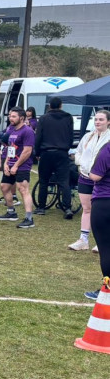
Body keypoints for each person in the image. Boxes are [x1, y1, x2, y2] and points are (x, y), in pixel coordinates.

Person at [71, 110, 110, 252]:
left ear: (108, 121)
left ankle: (103, 241)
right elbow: (79, 151)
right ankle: (83, 239)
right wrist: (81, 163)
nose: (98, 122)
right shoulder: (88, 136)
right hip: (85, 176)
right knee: (86, 209)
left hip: (102, 180)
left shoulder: (108, 139)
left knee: (102, 211)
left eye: (101, 119)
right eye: (96, 119)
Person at [35, 97, 75, 219]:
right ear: (61, 105)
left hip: (46, 152)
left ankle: (41, 207)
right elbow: (70, 136)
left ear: (49, 106)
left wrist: (37, 152)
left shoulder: (43, 118)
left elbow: (38, 136)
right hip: (62, 152)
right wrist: (66, 148)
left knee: (44, 181)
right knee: (64, 181)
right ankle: (67, 208)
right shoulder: (68, 117)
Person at [0, 107, 37, 228]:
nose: (11, 118)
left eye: (13, 116)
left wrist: (15, 166)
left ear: (22, 118)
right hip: (11, 164)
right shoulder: (12, 131)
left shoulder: (27, 131)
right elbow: (10, 148)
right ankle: (11, 212)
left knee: (23, 189)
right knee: (4, 187)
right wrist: (6, 163)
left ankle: (29, 219)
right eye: (10, 116)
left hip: (23, 165)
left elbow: (27, 151)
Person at [85, 121, 110, 300]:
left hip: (104, 201)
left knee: (106, 248)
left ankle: (107, 289)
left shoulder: (107, 149)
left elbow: (95, 175)